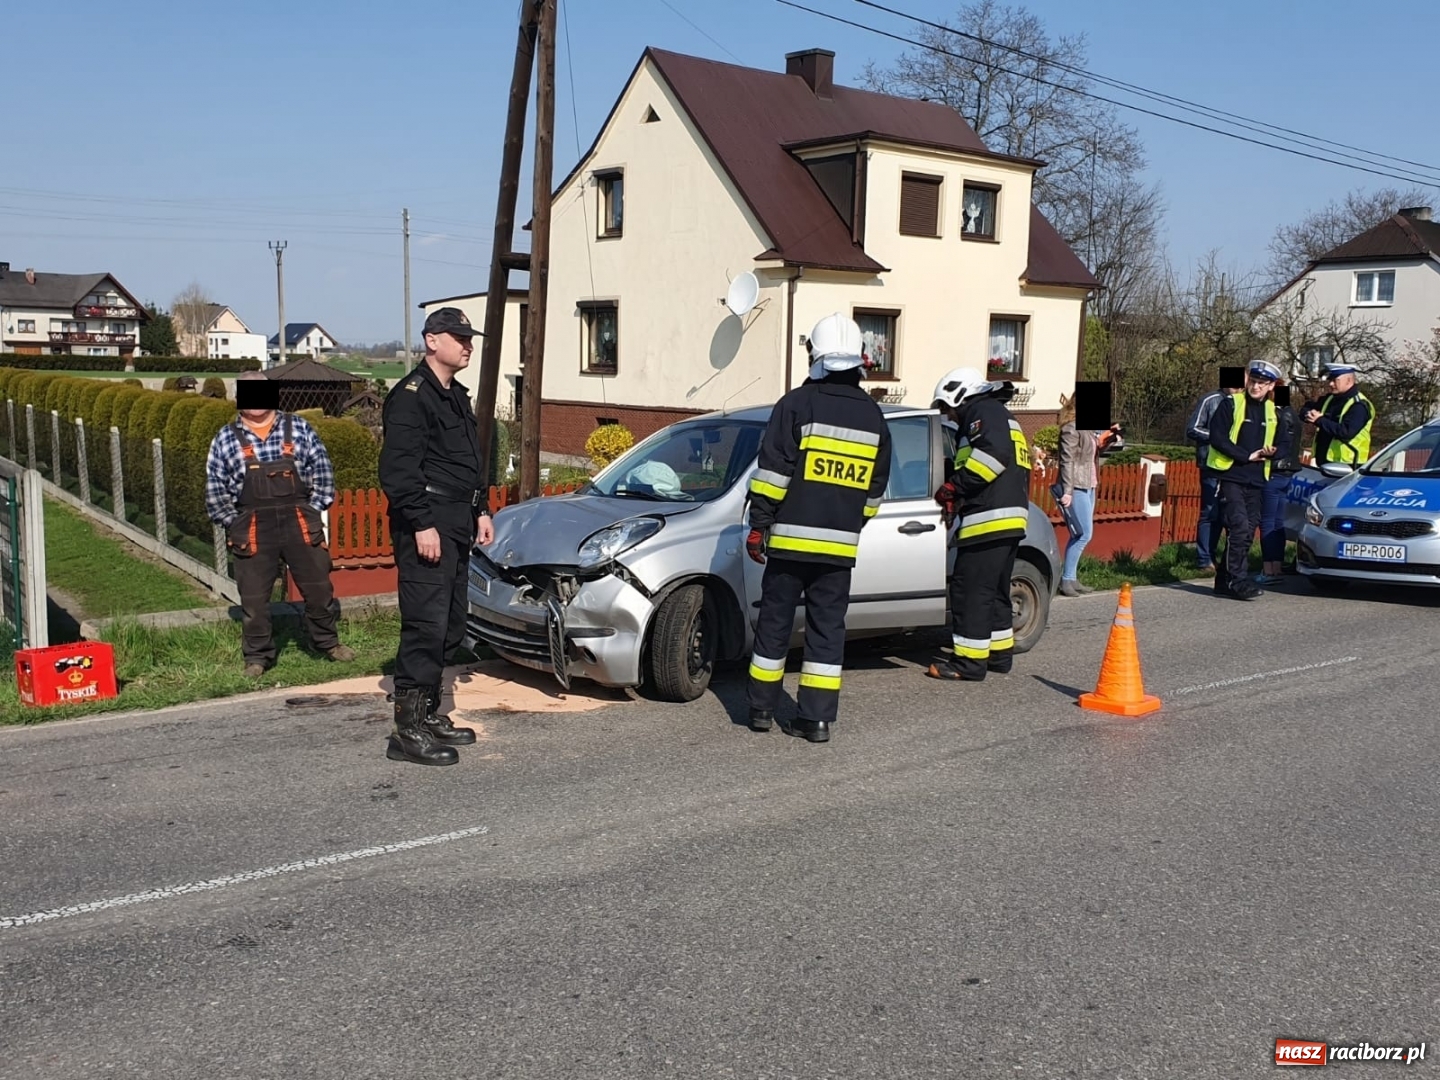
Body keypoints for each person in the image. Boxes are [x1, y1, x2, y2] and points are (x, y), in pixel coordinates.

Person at [744, 313, 892, 744]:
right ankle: (816, 720)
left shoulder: (795, 404)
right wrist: (849, 523)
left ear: (816, 355)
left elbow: (773, 474)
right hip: (839, 550)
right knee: (827, 631)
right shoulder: (873, 416)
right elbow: (875, 491)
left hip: (789, 544)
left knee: (775, 623)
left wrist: (759, 525)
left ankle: (760, 709)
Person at [378, 307, 496, 766]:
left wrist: (481, 508)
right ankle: (406, 732)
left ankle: (428, 714)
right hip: (427, 523)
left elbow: (466, 461)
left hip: (457, 520)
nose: (468, 346)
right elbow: (398, 470)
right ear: (432, 340)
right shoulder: (412, 397)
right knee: (425, 624)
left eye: (470, 338)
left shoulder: (455, 395)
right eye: (459, 338)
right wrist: (421, 523)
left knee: (449, 625)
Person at [204, 370, 356, 677]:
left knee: (318, 588)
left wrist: (313, 509)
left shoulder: (298, 427)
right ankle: (257, 656)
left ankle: (326, 642)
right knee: (254, 598)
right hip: (251, 524)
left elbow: (323, 472)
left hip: (299, 519)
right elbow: (215, 489)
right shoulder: (224, 438)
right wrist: (234, 522)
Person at [927, 366, 1032, 681]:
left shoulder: (982, 412)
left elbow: (992, 458)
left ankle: (968, 663)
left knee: (970, 590)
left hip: (989, 518)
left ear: (959, 396)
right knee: (994, 590)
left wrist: (954, 487)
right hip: (1007, 517)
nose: (948, 416)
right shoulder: (999, 414)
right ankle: (999, 655)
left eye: (947, 408)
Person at [1206, 359, 1280, 600]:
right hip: (1231, 476)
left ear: (1271, 386)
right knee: (1238, 526)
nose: (1256, 386)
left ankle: (1223, 580)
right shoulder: (1231, 403)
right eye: (1253, 381)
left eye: (1262, 383)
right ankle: (1238, 580)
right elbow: (1217, 437)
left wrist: (1275, 452)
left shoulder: (1273, 411)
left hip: (1256, 479)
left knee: (1248, 531)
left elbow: (1284, 440)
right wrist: (1245, 455)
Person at [1055, 393, 1120, 597]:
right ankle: (1066, 580)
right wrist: (1067, 491)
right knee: (1083, 534)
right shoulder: (1071, 428)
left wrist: (1110, 439)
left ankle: (1071, 578)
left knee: (1081, 534)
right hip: (1076, 486)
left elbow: (1094, 451)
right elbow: (1066, 460)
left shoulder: (1087, 429)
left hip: (1089, 485)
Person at [1185, 383, 1241, 574]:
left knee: (1226, 513)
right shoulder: (1210, 400)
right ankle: (1204, 559)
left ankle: (1218, 557)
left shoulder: (1243, 403)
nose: (1238, 389)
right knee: (1210, 511)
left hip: (1233, 466)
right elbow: (1193, 429)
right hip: (1210, 464)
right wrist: (1218, 437)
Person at [1257, 380, 1303, 584]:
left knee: (1267, 522)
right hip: (1288, 472)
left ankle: (1268, 569)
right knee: (1277, 522)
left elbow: (1276, 444)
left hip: (1274, 470)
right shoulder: (1292, 413)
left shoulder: (1275, 414)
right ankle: (1276, 567)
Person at [1304, 361, 1375, 467]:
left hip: (1348, 464)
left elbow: (1346, 432)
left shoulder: (1359, 405)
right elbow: (1305, 409)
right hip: (1324, 461)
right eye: (1330, 380)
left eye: (1335, 380)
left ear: (1348, 380)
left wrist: (1319, 420)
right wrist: (1309, 415)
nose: (1331, 384)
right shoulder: (1330, 399)